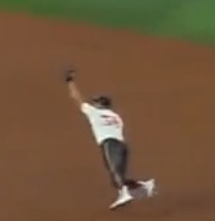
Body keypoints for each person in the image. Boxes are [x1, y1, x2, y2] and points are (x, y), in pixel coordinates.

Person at [64, 68, 155, 209]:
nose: (93, 103)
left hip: (109, 144)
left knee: (114, 172)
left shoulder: (94, 112)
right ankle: (144, 186)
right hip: (122, 145)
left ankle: (124, 194)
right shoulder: (115, 116)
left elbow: (76, 97)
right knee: (119, 175)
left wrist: (70, 81)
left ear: (100, 104)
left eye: (95, 102)